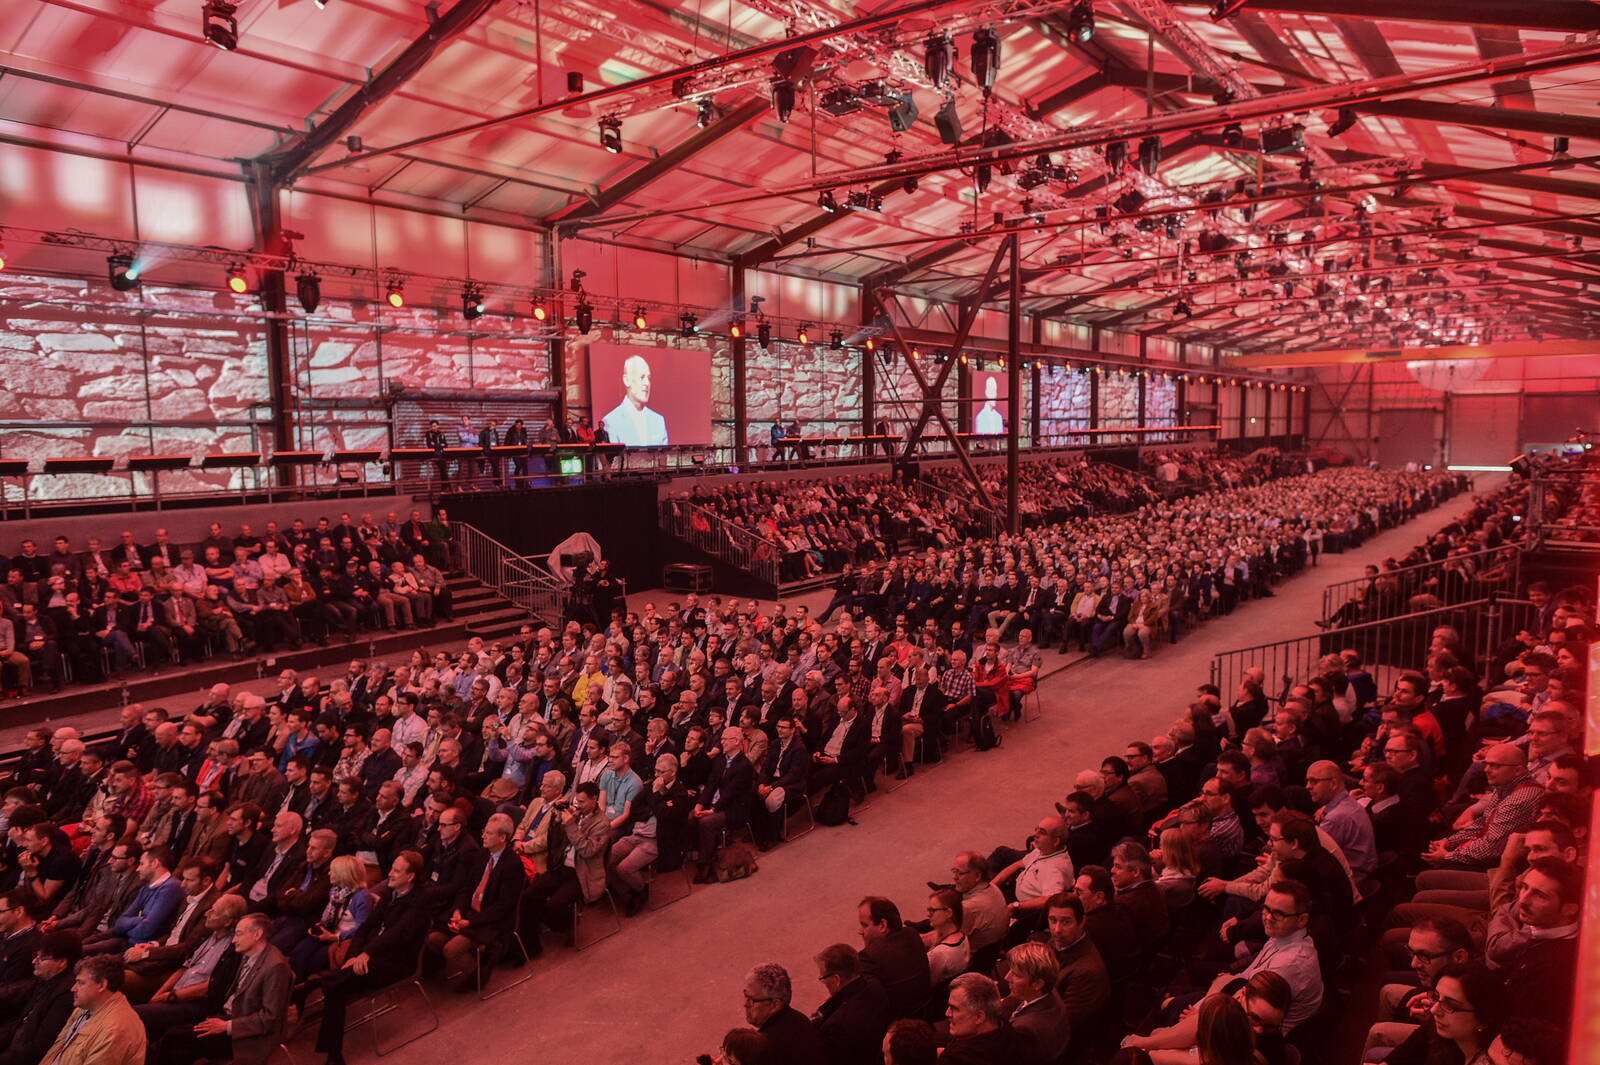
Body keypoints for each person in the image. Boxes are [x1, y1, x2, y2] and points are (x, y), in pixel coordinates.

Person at [312, 850, 432, 1065]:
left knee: (333, 984)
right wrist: (354, 956)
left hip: (398, 962)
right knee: (336, 986)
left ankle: (330, 1047)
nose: (391, 874)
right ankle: (333, 1054)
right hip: (375, 955)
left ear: (410, 876)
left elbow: (397, 935)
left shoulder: (419, 902)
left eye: (396, 870)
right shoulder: (391, 893)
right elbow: (366, 927)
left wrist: (367, 953)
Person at [144, 910, 292, 1065]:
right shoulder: (249, 954)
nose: (234, 940)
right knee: (173, 1035)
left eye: (239, 934)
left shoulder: (276, 967)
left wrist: (226, 1026)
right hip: (225, 1016)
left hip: (247, 1035)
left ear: (257, 934)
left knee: (174, 1038)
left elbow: (270, 1018)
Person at [39, 954, 147, 1065]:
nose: (73, 988)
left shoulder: (115, 1030)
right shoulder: (85, 1007)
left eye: (81, 983)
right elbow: (56, 1050)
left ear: (101, 985)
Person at [811, 942, 891, 1065]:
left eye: (823, 978)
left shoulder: (837, 1025)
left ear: (837, 979)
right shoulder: (875, 985)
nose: (823, 982)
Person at [742, 962, 827, 1065]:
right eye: (745, 995)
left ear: (775, 1004)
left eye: (751, 1000)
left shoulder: (766, 1047)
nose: (745, 1004)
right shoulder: (799, 1019)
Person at [942, 972, 1028, 1064]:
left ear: (979, 1017)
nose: (947, 1013)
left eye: (954, 1009)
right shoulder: (1008, 1029)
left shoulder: (955, 1059)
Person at [602, 354, 669, 446]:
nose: (647, 383)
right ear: (627, 380)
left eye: (649, 378)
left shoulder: (658, 420)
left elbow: (664, 456)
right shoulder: (611, 421)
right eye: (642, 377)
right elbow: (612, 459)